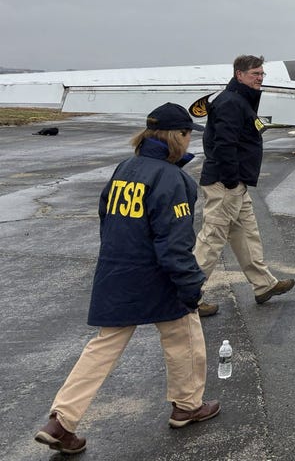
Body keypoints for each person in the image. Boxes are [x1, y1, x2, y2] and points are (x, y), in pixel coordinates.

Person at [34, 103, 219, 455]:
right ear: (176, 137)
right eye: (187, 134)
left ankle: (61, 420)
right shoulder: (172, 179)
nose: (188, 140)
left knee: (103, 348)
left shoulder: (125, 168)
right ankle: (187, 404)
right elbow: (175, 244)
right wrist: (190, 285)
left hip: (117, 270)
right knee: (184, 333)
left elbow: (106, 216)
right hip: (156, 276)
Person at [193, 55, 293, 317]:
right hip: (226, 183)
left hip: (236, 184)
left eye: (261, 74)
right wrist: (230, 179)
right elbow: (223, 144)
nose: (259, 78)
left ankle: (263, 285)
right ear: (239, 75)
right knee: (212, 238)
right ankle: (186, 296)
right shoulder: (230, 103)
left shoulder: (240, 100)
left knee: (247, 233)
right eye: (254, 74)